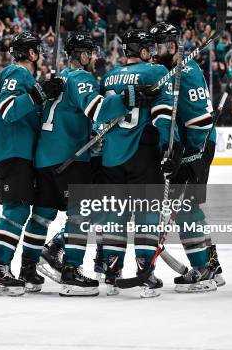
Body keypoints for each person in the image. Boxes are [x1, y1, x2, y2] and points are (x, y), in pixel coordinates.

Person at [32, 33, 159, 296]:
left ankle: (29, 268)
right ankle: (69, 268)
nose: (94, 57)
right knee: (86, 213)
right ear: (80, 55)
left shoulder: (61, 78)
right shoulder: (82, 78)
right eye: (89, 52)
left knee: (46, 215)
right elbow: (97, 110)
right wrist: (127, 99)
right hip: (71, 156)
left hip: (46, 156)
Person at [99, 29, 182, 298]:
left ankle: (111, 273)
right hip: (141, 155)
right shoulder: (154, 73)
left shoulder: (109, 76)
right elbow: (162, 115)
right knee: (146, 215)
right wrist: (171, 147)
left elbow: (100, 116)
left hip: (111, 156)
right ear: (144, 51)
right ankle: (145, 273)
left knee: (115, 216)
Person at [0, 31, 63, 296]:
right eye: (38, 49)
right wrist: (40, 94)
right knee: (16, 210)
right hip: (8, 149)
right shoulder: (17, 73)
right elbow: (8, 110)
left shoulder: (25, 77)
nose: (41, 53)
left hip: (17, 151)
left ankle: (25, 268)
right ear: (30, 53)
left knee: (27, 210)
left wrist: (44, 95)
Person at [150, 22, 225, 292]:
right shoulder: (170, 71)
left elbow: (201, 122)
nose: (154, 52)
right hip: (190, 150)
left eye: (158, 46)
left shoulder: (188, 72)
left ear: (172, 46)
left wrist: (189, 156)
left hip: (198, 148)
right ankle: (212, 266)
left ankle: (203, 270)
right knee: (188, 209)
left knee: (185, 210)